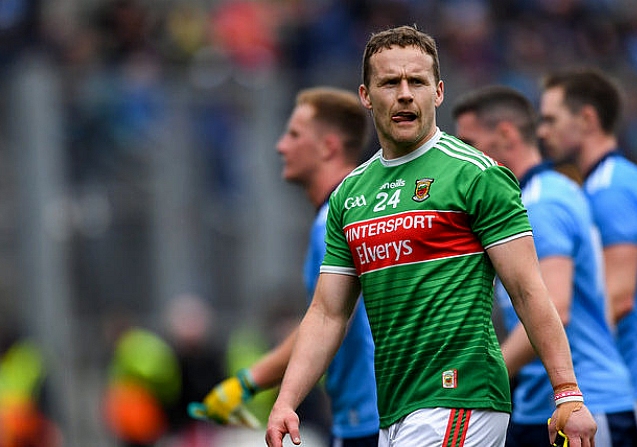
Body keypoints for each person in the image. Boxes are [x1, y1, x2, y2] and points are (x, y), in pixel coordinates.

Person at [265, 25, 597, 447]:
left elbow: (529, 289)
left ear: (437, 92)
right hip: (396, 410)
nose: (405, 93)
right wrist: (286, 401)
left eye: (416, 82)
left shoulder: (475, 174)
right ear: (366, 95)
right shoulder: (350, 194)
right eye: (390, 82)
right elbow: (328, 313)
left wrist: (567, 393)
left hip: (461, 395)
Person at [190, 87, 380, 447]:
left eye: (294, 135)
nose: (281, 146)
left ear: (328, 146)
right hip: (365, 414)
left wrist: (247, 382)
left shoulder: (336, 221)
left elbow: (327, 320)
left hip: (370, 417)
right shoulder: (355, 210)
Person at [452, 85, 637, 447]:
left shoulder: (538, 203)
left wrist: (483, 377)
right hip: (542, 404)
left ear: (506, 135)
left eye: (469, 144)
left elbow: (556, 306)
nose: (461, 158)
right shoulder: (545, 193)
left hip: (580, 405)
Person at [536, 68, 637, 447]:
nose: (541, 132)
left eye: (551, 119)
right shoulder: (615, 181)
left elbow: (618, 298)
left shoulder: (610, 189)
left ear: (587, 119)